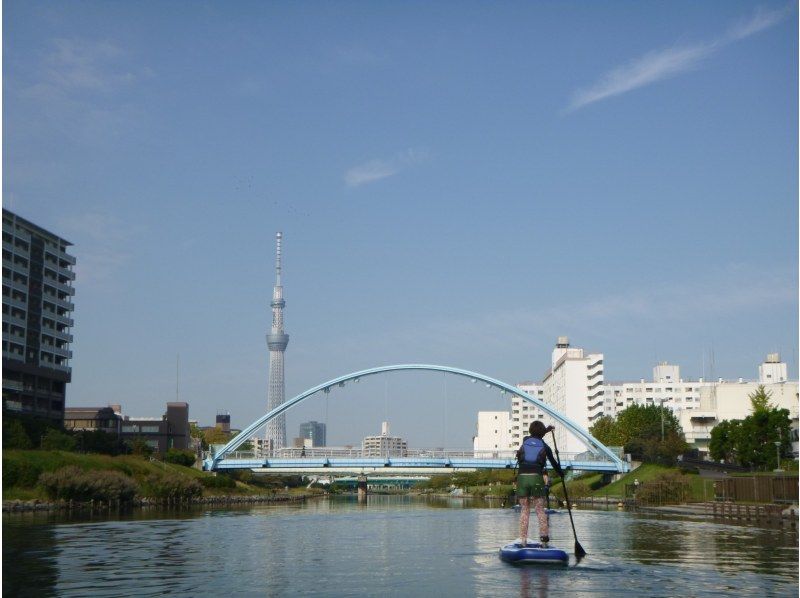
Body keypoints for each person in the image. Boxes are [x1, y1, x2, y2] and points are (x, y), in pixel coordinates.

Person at [515, 420, 563, 548]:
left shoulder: (525, 440)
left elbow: (534, 437)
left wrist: (545, 430)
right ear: (542, 433)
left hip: (522, 478)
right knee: (540, 510)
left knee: (525, 510)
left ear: (530, 431)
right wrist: (561, 474)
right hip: (536, 478)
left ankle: (523, 541)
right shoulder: (545, 447)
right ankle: (544, 540)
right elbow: (553, 463)